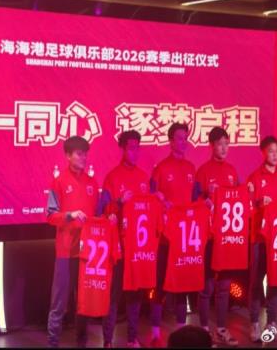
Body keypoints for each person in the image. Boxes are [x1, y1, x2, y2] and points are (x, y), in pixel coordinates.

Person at [97, 130, 150, 348]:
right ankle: (108, 340)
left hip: (138, 248)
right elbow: (103, 210)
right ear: (122, 149)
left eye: (138, 148)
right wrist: (119, 202)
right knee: (113, 295)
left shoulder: (144, 177)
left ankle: (132, 338)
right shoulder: (112, 177)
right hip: (117, 247)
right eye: (131, 148)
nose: (135, 152)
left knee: (135, 295)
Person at [46, 136, 99, 348]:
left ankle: (82, 342)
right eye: (79, 153)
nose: (83, 157)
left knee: (83, 302)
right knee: (59, 302)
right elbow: (50, 216)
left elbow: (98, 215)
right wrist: (70, 215)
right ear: (68, 156)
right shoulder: (59, 182)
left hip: (87, 253)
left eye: (85, 153)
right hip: (66, 252)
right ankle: (53, 343)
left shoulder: (92, 183)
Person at [149, 123, 197, 347]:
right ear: (170, 141)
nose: (183, 142)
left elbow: (195, 200)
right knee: (160, 284)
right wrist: (159, 199)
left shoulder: (191, 168)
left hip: (185, 238)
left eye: (185, 138)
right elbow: (151, 197)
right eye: (179, 138)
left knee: (183, 285)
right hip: (165, 238)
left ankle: (180, 330)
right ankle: (155, 331)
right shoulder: (160, 169)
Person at [193, 126, 240, 347]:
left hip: (227, 238)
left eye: (226, 144)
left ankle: (221, 329)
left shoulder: (232, 171)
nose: (224, 148)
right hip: (209, 237)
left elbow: (240, 198)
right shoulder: (203, 171)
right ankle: (204, 331)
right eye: (220, 144)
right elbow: (194, 200)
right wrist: (206, 201)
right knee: (207, 287)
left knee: (224, 287)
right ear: (211, 146)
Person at [246, 136, 277, 341]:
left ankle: (272, 322)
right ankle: (255, 323)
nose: (275, 155)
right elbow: (246, 207)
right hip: (259, 238)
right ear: (263, 153)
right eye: (271, 151)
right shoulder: (254, 178)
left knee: (275, 281)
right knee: (256, 281)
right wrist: (258, 203)